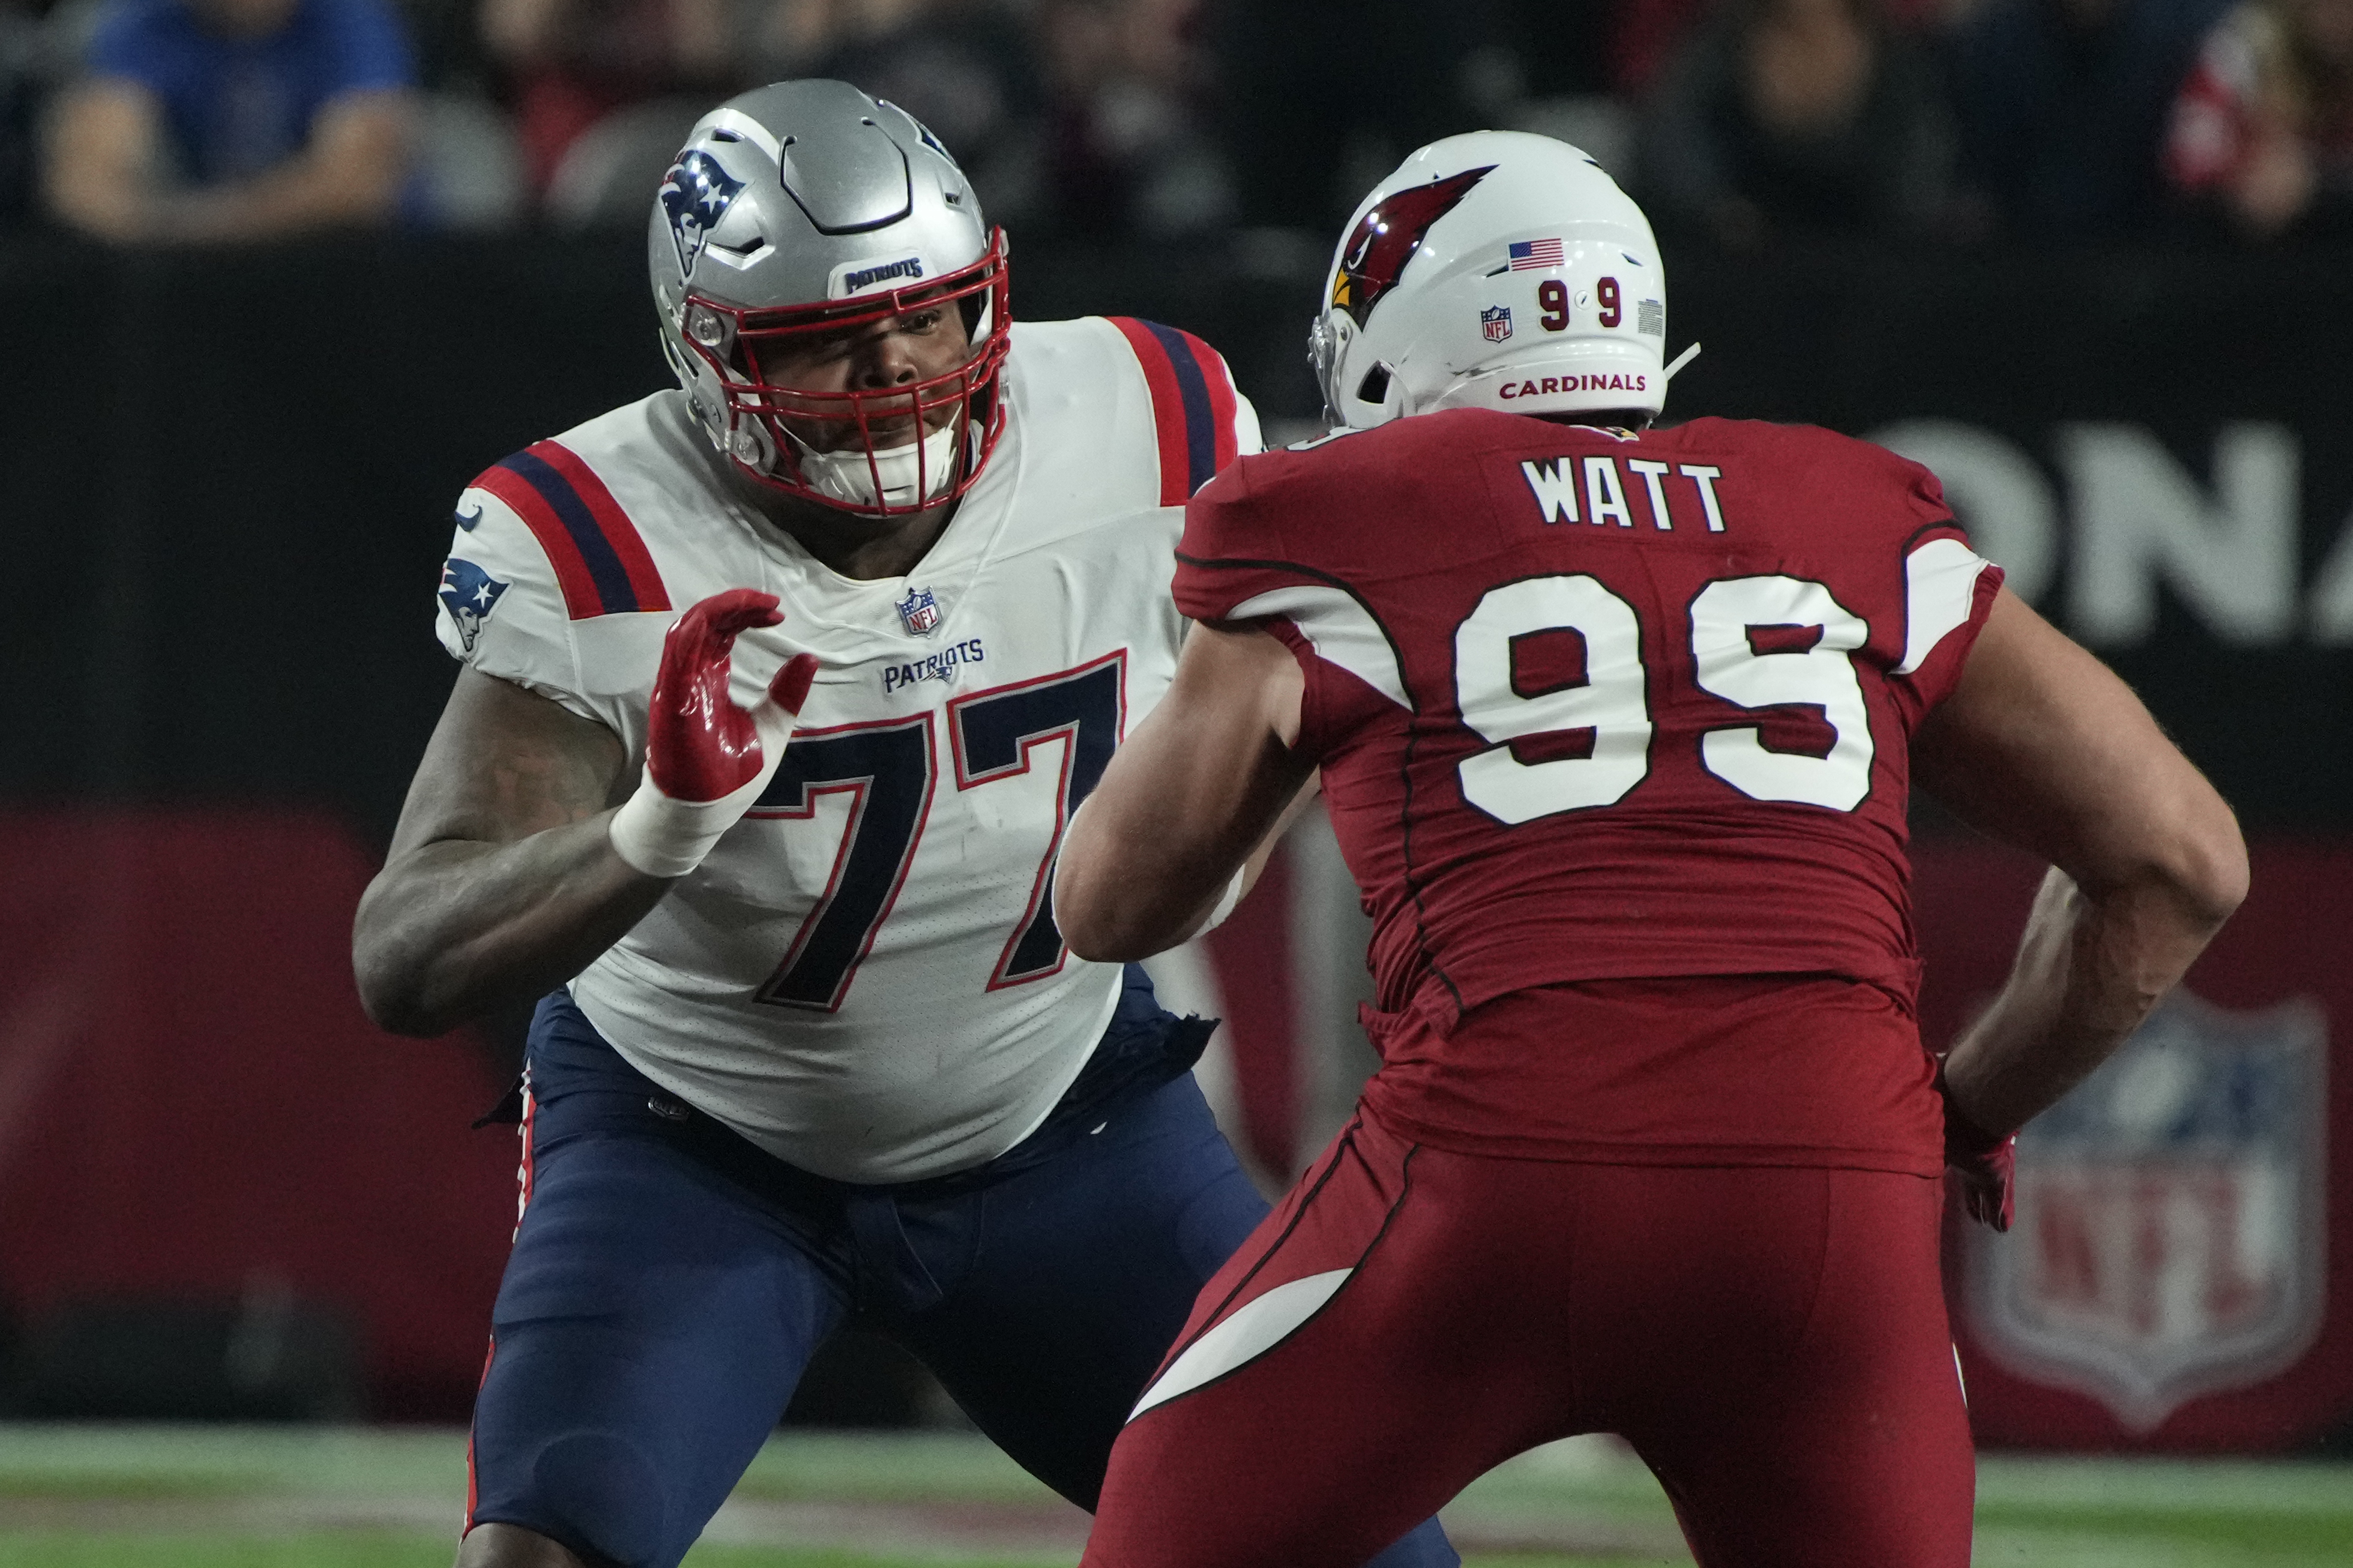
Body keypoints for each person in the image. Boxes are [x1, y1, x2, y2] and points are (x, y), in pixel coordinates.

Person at [1055, 130, 2247, 1567]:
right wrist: (1966, 1110)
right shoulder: (1852, 514)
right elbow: (2183, 859)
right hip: (1828, 1210)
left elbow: (1112, 905)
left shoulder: (1337, 519)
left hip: (1483, 1183)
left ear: (1401, 340)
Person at [350, 79, 1455, 1568]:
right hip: (699, 1145)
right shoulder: (597, 535)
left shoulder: (1148, 415)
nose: (894, 370)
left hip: (1065, 1121)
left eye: (928, 316)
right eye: (824, 338)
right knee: (541, 1558)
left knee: (1365, 1544)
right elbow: (406, 957)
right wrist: (656, 829)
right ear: (711, 354)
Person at [44, 0, 414, 241]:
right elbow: (85, 180)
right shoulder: (144, 25)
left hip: (348, 267)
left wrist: (205, 226)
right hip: (202, 274)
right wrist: (154, 226)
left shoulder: (353, 23)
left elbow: (357, 183)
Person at [2165, 0, 2353, 237]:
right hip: (2222, 243)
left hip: (2330, 240)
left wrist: (2315, 174)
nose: (2338, 15)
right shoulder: (2246, 45)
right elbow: (2187, 160)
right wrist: (2242, 168)